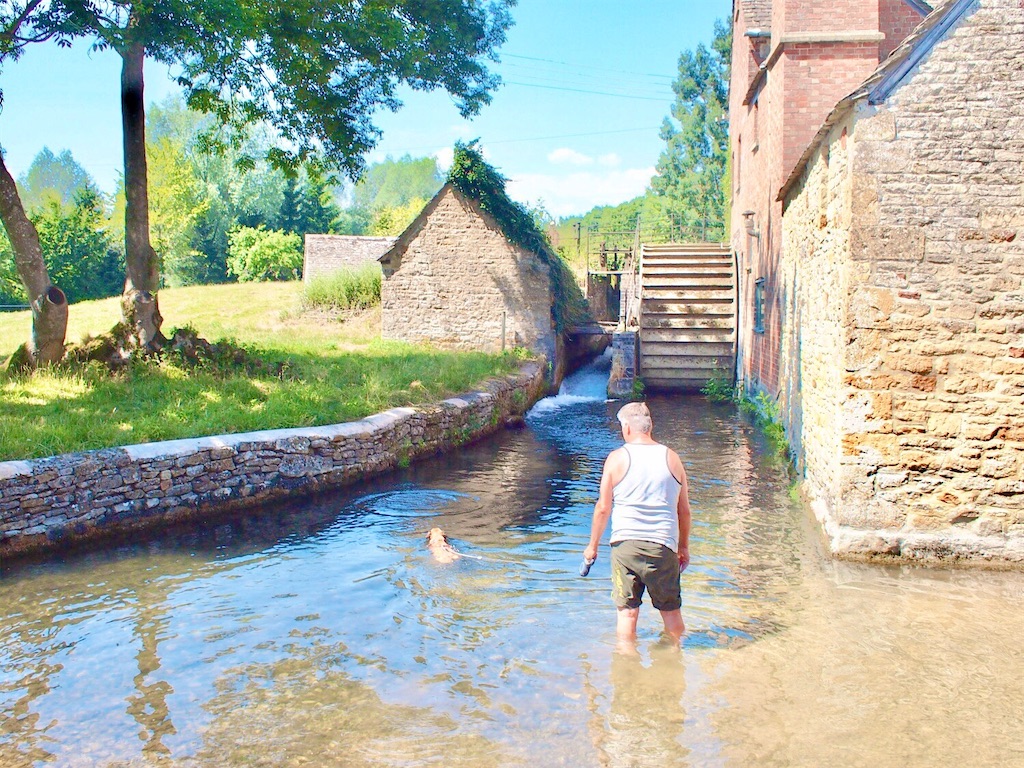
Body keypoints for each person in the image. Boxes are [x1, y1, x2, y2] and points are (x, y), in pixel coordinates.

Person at [583, 401, 692, 646]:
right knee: (671, 612)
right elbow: (684, 511)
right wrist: (683, 547)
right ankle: (675, 660)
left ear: (628, 429)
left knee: (627, 612)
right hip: (662, 546)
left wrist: (592, 546)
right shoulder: (672, 458)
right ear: (649, 427)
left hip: (625, 546)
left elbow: (603, 508)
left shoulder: (616, 458)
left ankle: (626, 667)